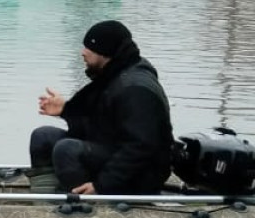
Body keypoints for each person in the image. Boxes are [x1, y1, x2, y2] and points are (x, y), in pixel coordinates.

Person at [29, 19, 173, 194]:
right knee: (42, 137)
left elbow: (141, 147)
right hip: (113, 149)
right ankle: (47, 198)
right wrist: (67, 109)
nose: (83, 53)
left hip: (142, 173)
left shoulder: (135, 90)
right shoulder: (115, 73)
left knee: (66, 150)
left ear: (105, 52)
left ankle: (82, 204)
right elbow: (101, 124)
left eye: (90, 47)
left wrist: (102, 185)